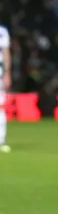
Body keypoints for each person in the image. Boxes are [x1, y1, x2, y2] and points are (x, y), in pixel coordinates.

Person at [0, 24, 11, 153]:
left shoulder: (2, 31)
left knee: (0, 106)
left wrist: (7, 73)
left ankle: (1, 138)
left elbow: (6, 53)